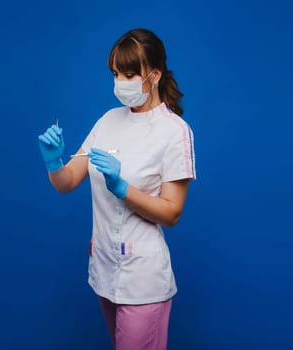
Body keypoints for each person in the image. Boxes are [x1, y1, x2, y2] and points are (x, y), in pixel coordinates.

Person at [37, 28, 196, 350]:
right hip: (105, 268)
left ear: (154, 75)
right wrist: (53, 163)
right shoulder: (108, 120)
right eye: (115, 73)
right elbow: (67, 182)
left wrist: (122, 187)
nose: (120, 82)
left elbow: (172, 212)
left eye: (129, 74)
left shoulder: (174, 132)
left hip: (142, 277)